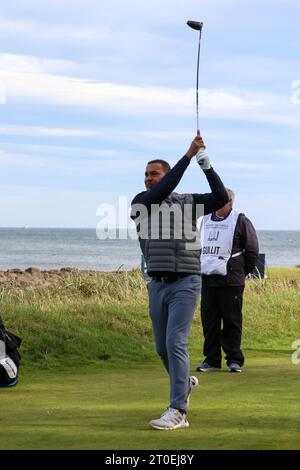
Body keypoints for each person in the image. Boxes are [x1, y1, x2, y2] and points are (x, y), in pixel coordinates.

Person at [131, 134, 228, 430]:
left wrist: (205, 164)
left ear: (165, 173)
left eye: (154, 173)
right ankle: (184, 384)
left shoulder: (188, 203)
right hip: (157, 284)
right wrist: (187, 155)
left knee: (175, 341)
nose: (149, 179)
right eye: (147, 174)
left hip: (186, 282)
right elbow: (162, 191)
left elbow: (221, 199)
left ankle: (178, 411)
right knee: (162, 348)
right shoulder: (141, 203)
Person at [196, 189, 259, 373]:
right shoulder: (205, 220)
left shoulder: (241, 221)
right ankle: (211, 359)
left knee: (232, 321)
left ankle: (234, 359)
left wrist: (239, 271)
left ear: (230, 202)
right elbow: (196, 246)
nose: (216, 203)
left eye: (220, 200)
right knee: (209, 321)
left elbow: (252, 251)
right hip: (208, 280)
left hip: (231, 281)